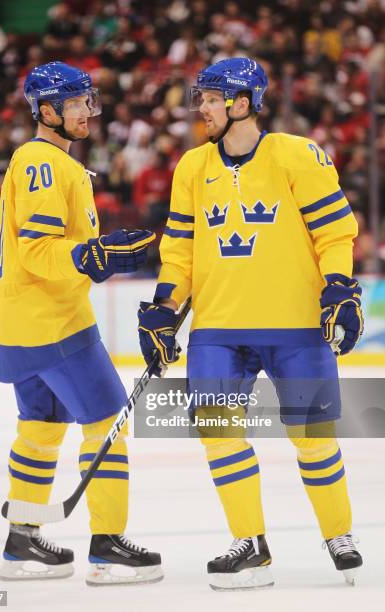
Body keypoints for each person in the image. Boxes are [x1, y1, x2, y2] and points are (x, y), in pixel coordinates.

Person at [138, 57, 364, 590]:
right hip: (217, 329)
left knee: (312, 437)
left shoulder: (296, 155)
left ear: (242, 103)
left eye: (212, 99)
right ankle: (250, 543)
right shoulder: (192, 167)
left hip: (295, 327)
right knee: (218, 435)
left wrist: (338, 286)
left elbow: (335, 232)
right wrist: (166, 308)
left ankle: (338, 533)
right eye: (202, 98)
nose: (203, 108)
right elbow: (181, 250)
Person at [0, 61, 162, 585]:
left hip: (17, 325)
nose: (88, 112)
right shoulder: (44, 162)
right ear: (47, 111)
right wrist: (93, 257)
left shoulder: (49, 162)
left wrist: (96, 255)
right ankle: (108, 547)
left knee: (39, 430)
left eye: (89, 101)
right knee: (107, 423)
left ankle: (21, 543)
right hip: (56, 323)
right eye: (76, 104)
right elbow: (39, 249)